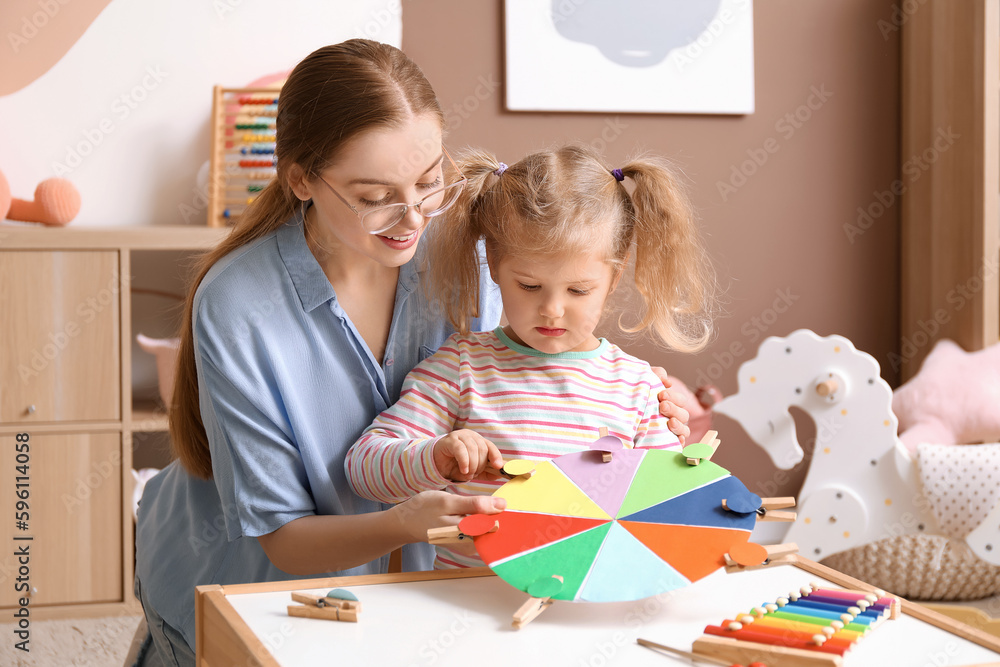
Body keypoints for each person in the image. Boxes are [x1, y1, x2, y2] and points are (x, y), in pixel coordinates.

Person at [132, 41, 690, 664]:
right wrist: (404, 521)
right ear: (301, 180)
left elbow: (524, 379)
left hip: (418, 592)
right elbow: (283, 541)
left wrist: (633, 402)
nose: (412, 218)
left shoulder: (466, 257)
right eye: (374, 196)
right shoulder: (239, 302)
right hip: (256, 580)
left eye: (428, 184)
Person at [345, 144, 715, 568]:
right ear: (496, 265)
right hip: (469, 609)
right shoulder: (461, 368)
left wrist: (682, 475)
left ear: (613, 276)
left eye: (578, 290)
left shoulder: (639, 387)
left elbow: (670, 514)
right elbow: (364, 469)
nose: (552, 309)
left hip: (588, 612)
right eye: (529, 286)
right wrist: (434, 456)